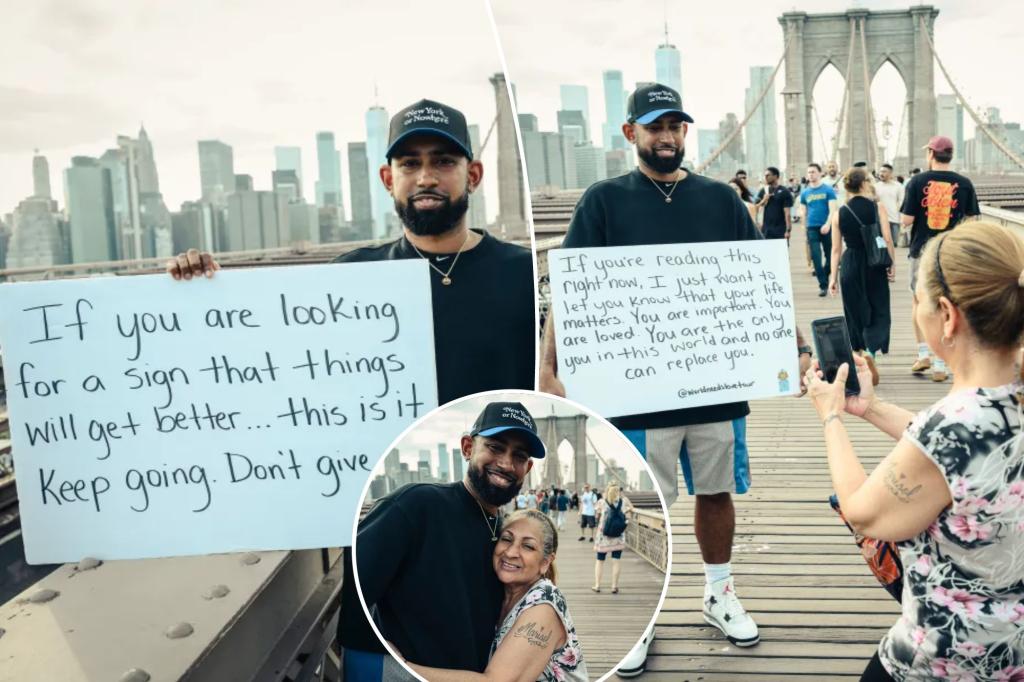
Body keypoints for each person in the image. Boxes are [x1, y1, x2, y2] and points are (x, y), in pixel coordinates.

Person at [166, 99, 537, 682]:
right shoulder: (350, 281)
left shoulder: (526, 273)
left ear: (473, 175)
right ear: (389, 180)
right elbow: (259, 377)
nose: (426, 176)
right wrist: (196, 296)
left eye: (442, 161)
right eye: (409, 163)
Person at [540, 83, 771, 649]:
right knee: (655, 505)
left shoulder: (721, 200)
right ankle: (647, 620)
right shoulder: (603, 201)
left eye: (675, 126)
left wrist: (789, 349)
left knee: (717, 493)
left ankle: (719, 592)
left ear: (685, 132)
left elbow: (759, 283)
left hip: (715, 386)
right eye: (654, 127)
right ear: (630, 134)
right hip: (637, 394)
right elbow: (570, 292)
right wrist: (548, 371)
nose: (666, 137)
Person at [804, 220, 1024, 682]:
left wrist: (831, 417)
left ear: (947, 315)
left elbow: (863, 513)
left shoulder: (948, 425)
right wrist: (872, 408)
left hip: (948, 658)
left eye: (918, 299)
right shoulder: (1005, 402)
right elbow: (969, 453)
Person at [356, 401, 547, 677]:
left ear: (527, 469)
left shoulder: (505, 531)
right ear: (468, 448)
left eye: (519, 456)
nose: (506, 463)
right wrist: (381, 649)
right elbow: (355, 587)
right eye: (494, 447)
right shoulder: (416, 505)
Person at [401, 509, 588, 682]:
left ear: (545, 562)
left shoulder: (543, 608)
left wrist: (401, 668)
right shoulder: (496, 593)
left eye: (528, 546)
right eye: (507, 539)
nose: (511, 552)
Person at [900, 135, 980, 383]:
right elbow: (973, 221)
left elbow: (906, 221)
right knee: (947, 305)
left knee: (919, 302)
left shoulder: (917, 182)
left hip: (922, 251)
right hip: (951, 251)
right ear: (950, 155)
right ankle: (941, 364)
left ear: (931, 154)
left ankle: (923, 353)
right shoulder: (964, 183)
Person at [828, 168, 894, 382]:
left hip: (850, 264)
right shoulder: (878, 207)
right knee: (878, 306)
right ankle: (871, 352)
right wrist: (891, 263)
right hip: (874, 263)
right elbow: (887, 239)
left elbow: (835, 249)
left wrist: (832, 278)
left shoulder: (839, 213)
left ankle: (860, 354)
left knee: (854, 311)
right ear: (865, 184)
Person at [800, 162, 838, 297]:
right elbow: (803, 212)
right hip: (812, 228)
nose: (811, 174)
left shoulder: (828, 190)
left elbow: (833, 209)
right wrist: (804, 228)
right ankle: (823, 285)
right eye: (809, 172)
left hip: (827, 227)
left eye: (813, 172)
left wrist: (828, 224)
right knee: (816, 256)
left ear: (820, 173)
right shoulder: (805, 193)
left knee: (830, 255)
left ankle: (827, 274)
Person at [591, 483, 634, 594]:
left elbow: (596, 515)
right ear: (618, 491)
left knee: (600, 561)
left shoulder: (601, 502)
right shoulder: (623, 502)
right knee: (616, 561)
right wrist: (625, 499)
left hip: (603, 536)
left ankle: (597, 585)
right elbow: (631, 510)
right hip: (618, 536)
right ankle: (614, 586)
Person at [754, 166, 793, 241]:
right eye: (765, 175)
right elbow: (754, 208)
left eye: (768, 175)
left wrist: (788, 230)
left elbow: (787, 213)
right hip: (766, 231)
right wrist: (763, 200)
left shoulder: (785, 191)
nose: (765, 177)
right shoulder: (763, 191)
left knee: (781, 252)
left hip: (780, 231)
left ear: (775, 176)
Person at [874, 164, 905, 249]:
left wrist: (900, 216)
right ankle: (883, 261)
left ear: (891, 173)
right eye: (880, 171)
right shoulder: (875, 187)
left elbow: (902, 201)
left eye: (884, 171)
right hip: (879, 220)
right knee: (881, 245)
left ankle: (891, 261)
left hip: (894, 219)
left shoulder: (898, 186)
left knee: (893, 243)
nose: (881, 173)